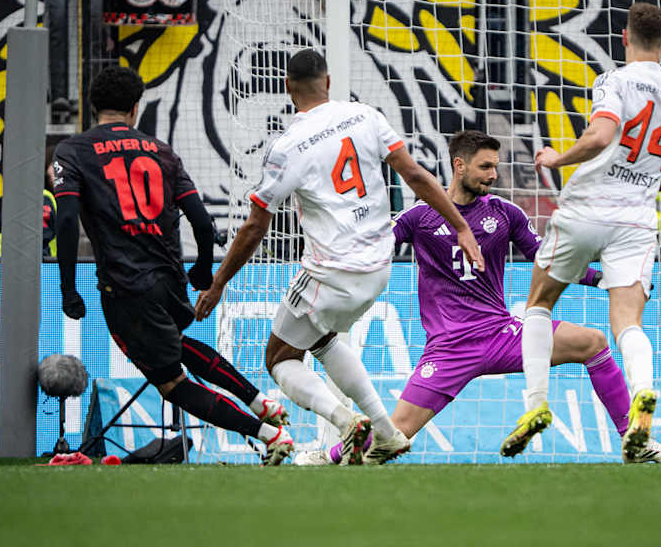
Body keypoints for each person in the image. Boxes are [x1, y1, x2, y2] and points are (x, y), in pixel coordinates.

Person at [294, 130, 661, 465]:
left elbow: (546, 259)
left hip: (502, 334)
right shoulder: (418, 217)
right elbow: (376, 250)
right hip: (449, 348)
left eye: (495, 167)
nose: (493, 175)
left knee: (594, 342)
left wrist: (603, 280)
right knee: (396, 434)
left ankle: (637, 443)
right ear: (459, 166)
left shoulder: (505, 214)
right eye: (485, 167)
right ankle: (325, 456)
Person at [193, 49, 483, 465]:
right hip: (380, 267)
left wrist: (218, 283)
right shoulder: (366, 116)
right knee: (324, 338)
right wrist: (460, 226)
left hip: (332, 273)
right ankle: (388, 433)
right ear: (328, 82)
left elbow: (255, 226)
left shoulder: (287, 147)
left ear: (289, 88)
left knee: (279, 358)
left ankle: (347, 423)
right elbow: (417, 175)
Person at [53, 66, 294, 465]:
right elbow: (202, 221)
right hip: (169, 277)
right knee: (178, 345)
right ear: (135, 107)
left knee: (172, 383)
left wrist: (67, 286)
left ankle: (268, 434)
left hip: (125, 284)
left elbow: (65, 220)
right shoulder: (161, 151)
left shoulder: (73, 151)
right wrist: (202, 268)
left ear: (94, 107)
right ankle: (259, 402)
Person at [506, 2, 661, 463]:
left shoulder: (614, 81)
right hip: (636, 220)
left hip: (587, 208)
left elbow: (602, 136)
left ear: (624, 37)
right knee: (627, 321)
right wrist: (642, 179)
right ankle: (643, 398)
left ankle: (535, 406)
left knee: (539, 304)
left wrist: (557, 158)